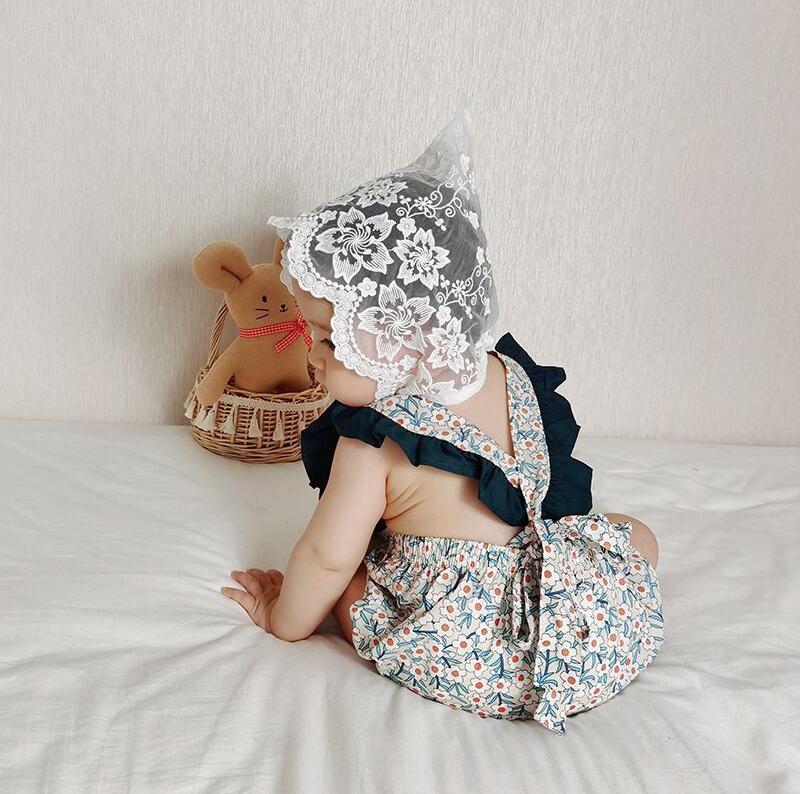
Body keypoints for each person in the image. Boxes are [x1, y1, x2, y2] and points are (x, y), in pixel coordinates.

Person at [220, 107, 664, 736]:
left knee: (352, 587)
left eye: (329, 337)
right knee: (633, 537)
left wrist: (282, 619)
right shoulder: (510, 374)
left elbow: (325, 557)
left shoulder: (373, 440)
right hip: (578, 626)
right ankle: (592, 630)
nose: (309, 352)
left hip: (468, 652)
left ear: (402, 332)